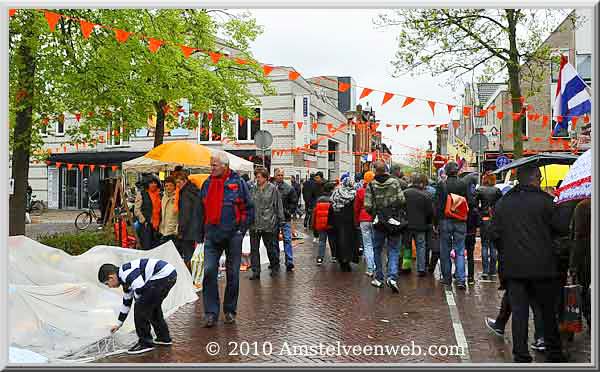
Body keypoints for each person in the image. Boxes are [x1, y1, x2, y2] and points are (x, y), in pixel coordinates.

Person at [492, 165, 566, 362]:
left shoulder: (503, 203)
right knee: (547, 312)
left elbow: (494, 234)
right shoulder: (547, 202)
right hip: (543, 268)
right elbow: (560, 229)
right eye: (539, 179)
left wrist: (507, 252)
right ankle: (554, 352)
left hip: (514, 269)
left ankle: (521, 355)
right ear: (536, 178)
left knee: (519, 313)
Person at [199, 151, 254, 328]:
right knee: (208, 272)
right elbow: (202, 209)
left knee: (232, 274)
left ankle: (229, 310)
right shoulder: (207, 183)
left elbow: (249, 207)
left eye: (214, 165)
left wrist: (241, 230)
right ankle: (210, 313)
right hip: (212, 236)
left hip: (232, 236)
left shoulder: (238, 183)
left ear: (224, 165)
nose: (211, 168)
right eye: (211, 165)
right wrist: (201, 232)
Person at [98, 258, 177, 355]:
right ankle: (163, 338)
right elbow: (126, 303)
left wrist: (140, 307)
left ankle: (145, 343)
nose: (109, 287)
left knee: (141, 308)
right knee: (152, 308)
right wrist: (118, 324)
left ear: (111, 277)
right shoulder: (125, 281)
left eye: (107, 284)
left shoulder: (126, 273)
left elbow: (140, 289)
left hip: (163, 276)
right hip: (168, 275)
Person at [364, 160, 406, 293]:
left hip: (379, 222)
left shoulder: (371, 185)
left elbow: (367, 206)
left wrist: (376, 213)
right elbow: (402, 200)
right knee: (394, 249)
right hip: (393, 220)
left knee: (377, 249)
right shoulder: (394, 183)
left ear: (375, 171)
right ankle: (392, 277)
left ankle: (379, 277)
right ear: (386, 170)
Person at [435, 161, 472, 289]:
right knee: (460, 251)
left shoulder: (441, 185)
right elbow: (470, 202)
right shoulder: (463, 184)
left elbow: (438, 205)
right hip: (460, 220)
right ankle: (461, 279)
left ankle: (447, 278)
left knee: (445, 250)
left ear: (446, 171)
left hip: (445, 220)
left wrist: (436, 222)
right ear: (457, 171)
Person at [249, 167, 285, 280]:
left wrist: (281, 221)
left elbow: (278, 206)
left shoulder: (273, 189)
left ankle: (275, 266)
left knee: (270, 248)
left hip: (269, 223)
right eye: (256, 177)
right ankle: (256, 271)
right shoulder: (253, 189)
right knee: (254, 249)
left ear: (265, 177)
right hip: (255, 223)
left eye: (259, 177)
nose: (257, 179)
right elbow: (250, 204)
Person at [403, 174, 434, 277]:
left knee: (407, 247)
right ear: (421, 183)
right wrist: (429, 222)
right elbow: (430, 212)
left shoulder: (405, 193)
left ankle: (406, 267)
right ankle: (421, 268)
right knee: (421, 246)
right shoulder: (426, 195)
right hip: (421, 225)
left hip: (406, 225)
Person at [475, 173, 503, 280]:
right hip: (494, 220)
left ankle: (485, 271)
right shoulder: (497, 191)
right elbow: (501, 205)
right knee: (493, 246)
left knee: (484, 245)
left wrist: (480, 217)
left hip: (484, 220)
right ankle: (493, 271)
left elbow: (475, 205)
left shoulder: (480, 190)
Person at [174, 172, 203, 271]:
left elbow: (184, 214)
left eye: (179, 182)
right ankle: (195, 273)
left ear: (185, 181)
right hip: (196, 227)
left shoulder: (185, 194)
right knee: (195, 253)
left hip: (188, 229)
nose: (177, 185)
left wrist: (181, 230)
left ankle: (190, 276)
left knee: (188, 254)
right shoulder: (195, 191)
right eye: (176, 182)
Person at [330, 173, 359, 272]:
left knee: (339, 240)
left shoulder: (336, 192)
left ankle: (341, 260)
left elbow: (331, 206)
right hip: (349, 221)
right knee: (349, 241)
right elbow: (355, 208)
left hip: (337, 220)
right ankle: (347, 260)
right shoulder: (354, 194)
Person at [273, 168, 298, 272]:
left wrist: (288, 211)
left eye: (282, 175)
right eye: (278, 175)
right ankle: (275, 261)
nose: (280, 177)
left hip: (285, 218)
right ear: (274, 175)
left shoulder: (289, 188)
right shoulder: (271, 187)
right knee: (273, 241)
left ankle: (289, 261)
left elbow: (294, 202)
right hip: (273, 219)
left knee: (287, 239)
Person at [572, 198, 591, 329]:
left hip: (585, 255)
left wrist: (573, 264)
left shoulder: (582, 206)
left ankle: (590, 317)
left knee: (583, 288)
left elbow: (577, 236)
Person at [354, 171, 376, 277]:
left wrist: (357, 220)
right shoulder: (378, 190)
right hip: (375, 219)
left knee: (367, 244)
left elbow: (356, 208)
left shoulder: (360, 191)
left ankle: (370, 268)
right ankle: (376, 265)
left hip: (364, 219)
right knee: (376, 244)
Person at [134, 176, 162, 250]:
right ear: (147, 184)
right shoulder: (141, 194)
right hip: (146, 226)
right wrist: (144, 220)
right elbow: (137, 210)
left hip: (158, 226)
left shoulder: (160, 195)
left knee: (157, 247)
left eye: (155, 183)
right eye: (151, 183)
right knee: (147, 247)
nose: (153, 185)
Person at [313, 181, 337, 265]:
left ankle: (320, 258)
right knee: (332, 240)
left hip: (321, 224)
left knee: (322, 241)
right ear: (331, 190)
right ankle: (334, 256)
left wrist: (314, 225)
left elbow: (315, 213)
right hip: (330, 223)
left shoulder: (319, 199)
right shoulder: (333, 199)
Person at [158, 176, 178, 246]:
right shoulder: (164, 197)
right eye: (166, 186)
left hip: (174, 231)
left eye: (170, 185)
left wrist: (177, 229)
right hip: (164, 229)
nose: (168, 187)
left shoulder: (177, 197)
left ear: (174, 186)